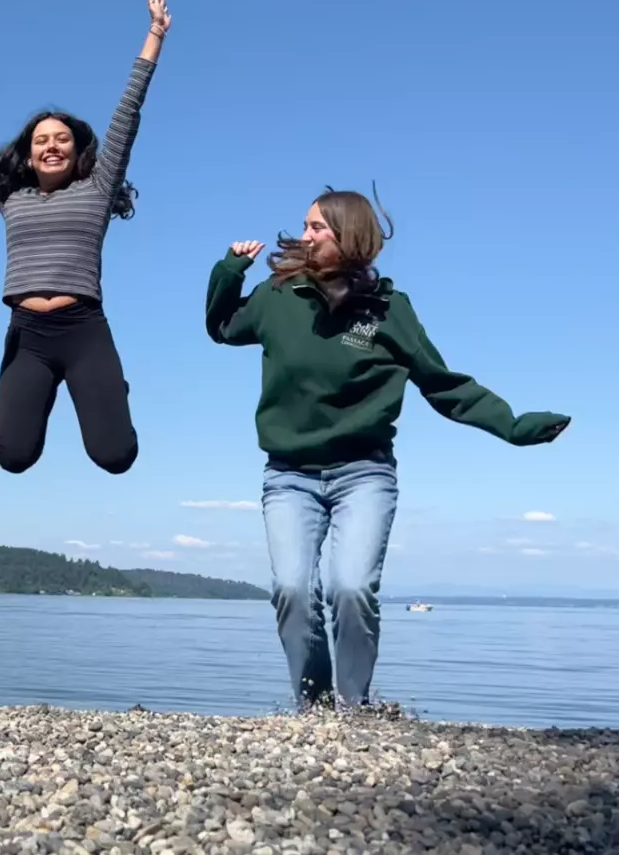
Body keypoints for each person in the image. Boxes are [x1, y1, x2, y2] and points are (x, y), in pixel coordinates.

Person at [204, 189, 571, 711]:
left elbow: (442, 384)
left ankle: (355, 710)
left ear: (350, 236)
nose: (305, 236)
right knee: (292, 589)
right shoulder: (276, 296)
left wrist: (512, 425)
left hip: (364, 474)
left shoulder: (388, 310)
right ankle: (314, 707)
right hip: (289, 476)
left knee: (350, 588)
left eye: (317, 228)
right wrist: (228, 273)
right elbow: (221, 328)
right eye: (305, 226)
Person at [0, 0, 171, 476]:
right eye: (41, 140)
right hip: (29, 334)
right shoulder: (12, 196)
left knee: (116, 456)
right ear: (27, 154)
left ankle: (111, 388)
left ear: (76, 149)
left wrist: (153, 37)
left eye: (61, 139)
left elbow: (126, 114)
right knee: (15, 457)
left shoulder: (98, 187)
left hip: (85, 329)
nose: (51, 146)